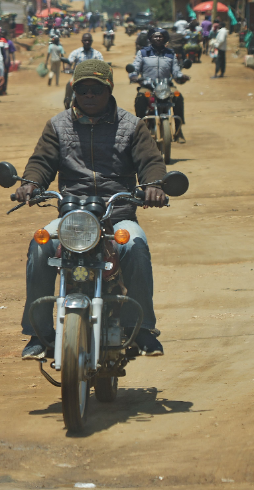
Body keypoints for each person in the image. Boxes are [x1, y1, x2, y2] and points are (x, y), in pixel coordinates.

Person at [15, 60, 167, 360]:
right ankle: (40, 333)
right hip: (72, 218)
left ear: (108, 91)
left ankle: (142, 329)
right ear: (74, 91)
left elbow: (150, 162)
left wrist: (155, 185)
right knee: (39, 246)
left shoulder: (132, 125)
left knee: (136, 246)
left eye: (96, 90)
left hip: (117, 214)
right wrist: (30, 184)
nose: (89, 96)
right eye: (82, 90)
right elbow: (41, 162)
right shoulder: (57, 125)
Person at [130, 28, 189, 141]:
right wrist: (134, 76)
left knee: (177, 96)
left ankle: (178, 129)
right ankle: (140, 129)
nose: (158, 38)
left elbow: (176, 72)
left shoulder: (170, 53)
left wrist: (181, 76)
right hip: (148, 86)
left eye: (160, 36)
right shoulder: (142, 53)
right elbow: (135, 68)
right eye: (155, 36)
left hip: (166, 86)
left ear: (165, 39)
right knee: (140, 97)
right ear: (150, 38)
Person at [63, 33, 105, 110]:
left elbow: (101, 64)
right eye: (85, 40)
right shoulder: (76, 52)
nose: (87, 42)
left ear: (92, 41)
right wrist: (68, 68)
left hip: (93, 78)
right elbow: (70, 62)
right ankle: (67, 100)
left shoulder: (97, 54)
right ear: (82, 41)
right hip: (77, 77)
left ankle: (104, 103)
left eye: (89, 40)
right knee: (69, 83)